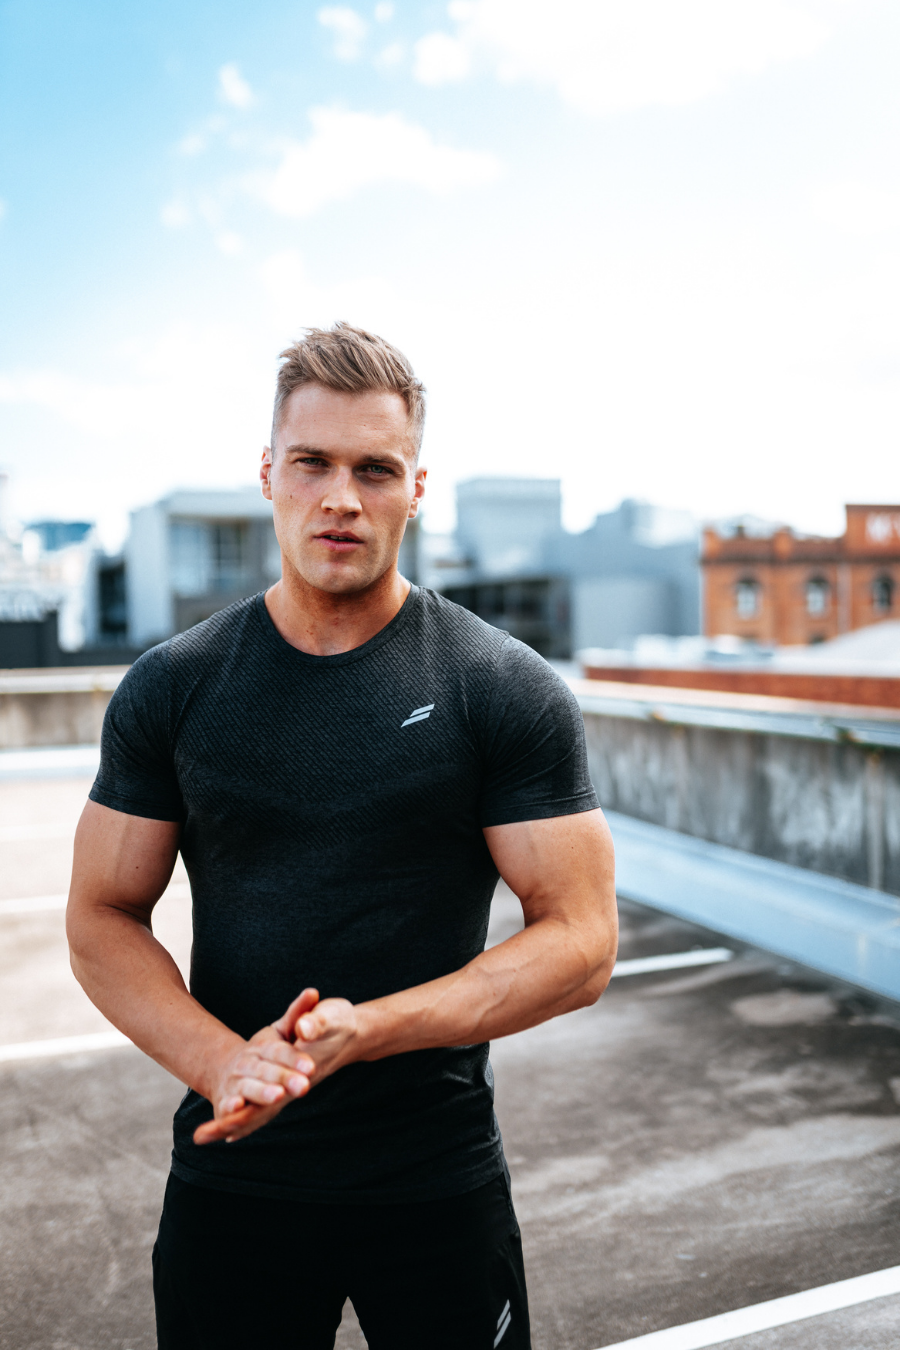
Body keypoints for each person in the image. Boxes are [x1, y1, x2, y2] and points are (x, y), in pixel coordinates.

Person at [67, 322, 618, 1350]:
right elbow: (102, 914)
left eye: (376, 469)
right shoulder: (175, 687)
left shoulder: (498, 686)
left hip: (435, 1178)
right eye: (313, 462)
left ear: (417, 489)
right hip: (236, 1177)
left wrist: (368, 1030)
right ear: (267, 471)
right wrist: (227, 1065)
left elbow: (581, 943)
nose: (341, 496)